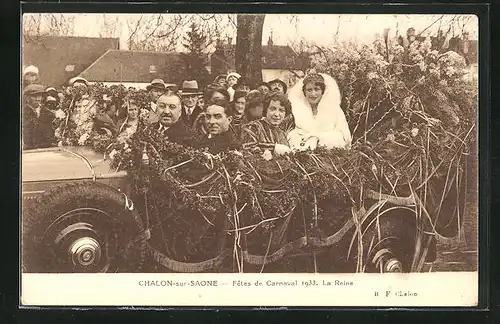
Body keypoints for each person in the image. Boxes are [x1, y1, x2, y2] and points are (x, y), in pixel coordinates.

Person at [287, 73, 351, 150]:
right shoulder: (296, 111)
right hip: (303, 150)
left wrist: (319, 138)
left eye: (316, 89)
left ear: (322, 91)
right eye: (309, 90)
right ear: (304, 92)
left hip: (329, 152)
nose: (313, 94)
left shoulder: (335, 110)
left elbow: (345, 137)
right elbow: (291, 134)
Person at [241, 91, 291, 155]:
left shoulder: (282, 134)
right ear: (266, 110)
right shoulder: (253, 127)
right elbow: (248, 148)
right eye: (273, 109)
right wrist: (274, 148)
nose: (276, 114)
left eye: (281, 110)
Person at [22, 84, 56, 150]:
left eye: (39, 96)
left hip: (46, 148)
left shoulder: (48, 113)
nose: (38, 99)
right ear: (27, 98)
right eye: (34, 96)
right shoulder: (23, 112)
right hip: (29, 149)